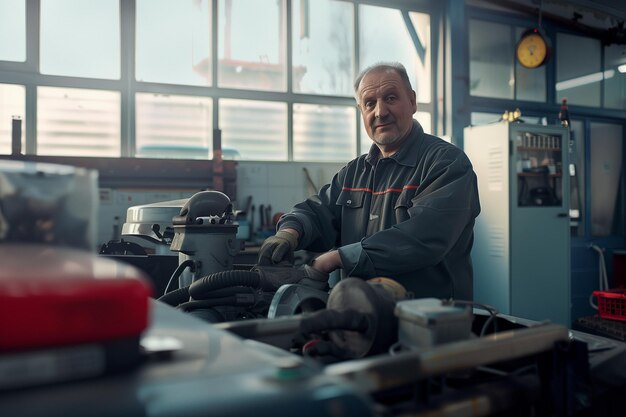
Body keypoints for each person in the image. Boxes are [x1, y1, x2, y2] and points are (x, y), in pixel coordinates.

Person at [258, 62, 480, 301]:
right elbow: (318, 211)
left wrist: (336, 259)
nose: (380, 112)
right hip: (360, 320)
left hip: (433, 325)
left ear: (413, 102)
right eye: (370, 103)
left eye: (391, 98)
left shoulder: (446, 163)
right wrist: (290, 231)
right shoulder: (354, 171)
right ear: (361, 111)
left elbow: (423, 238)